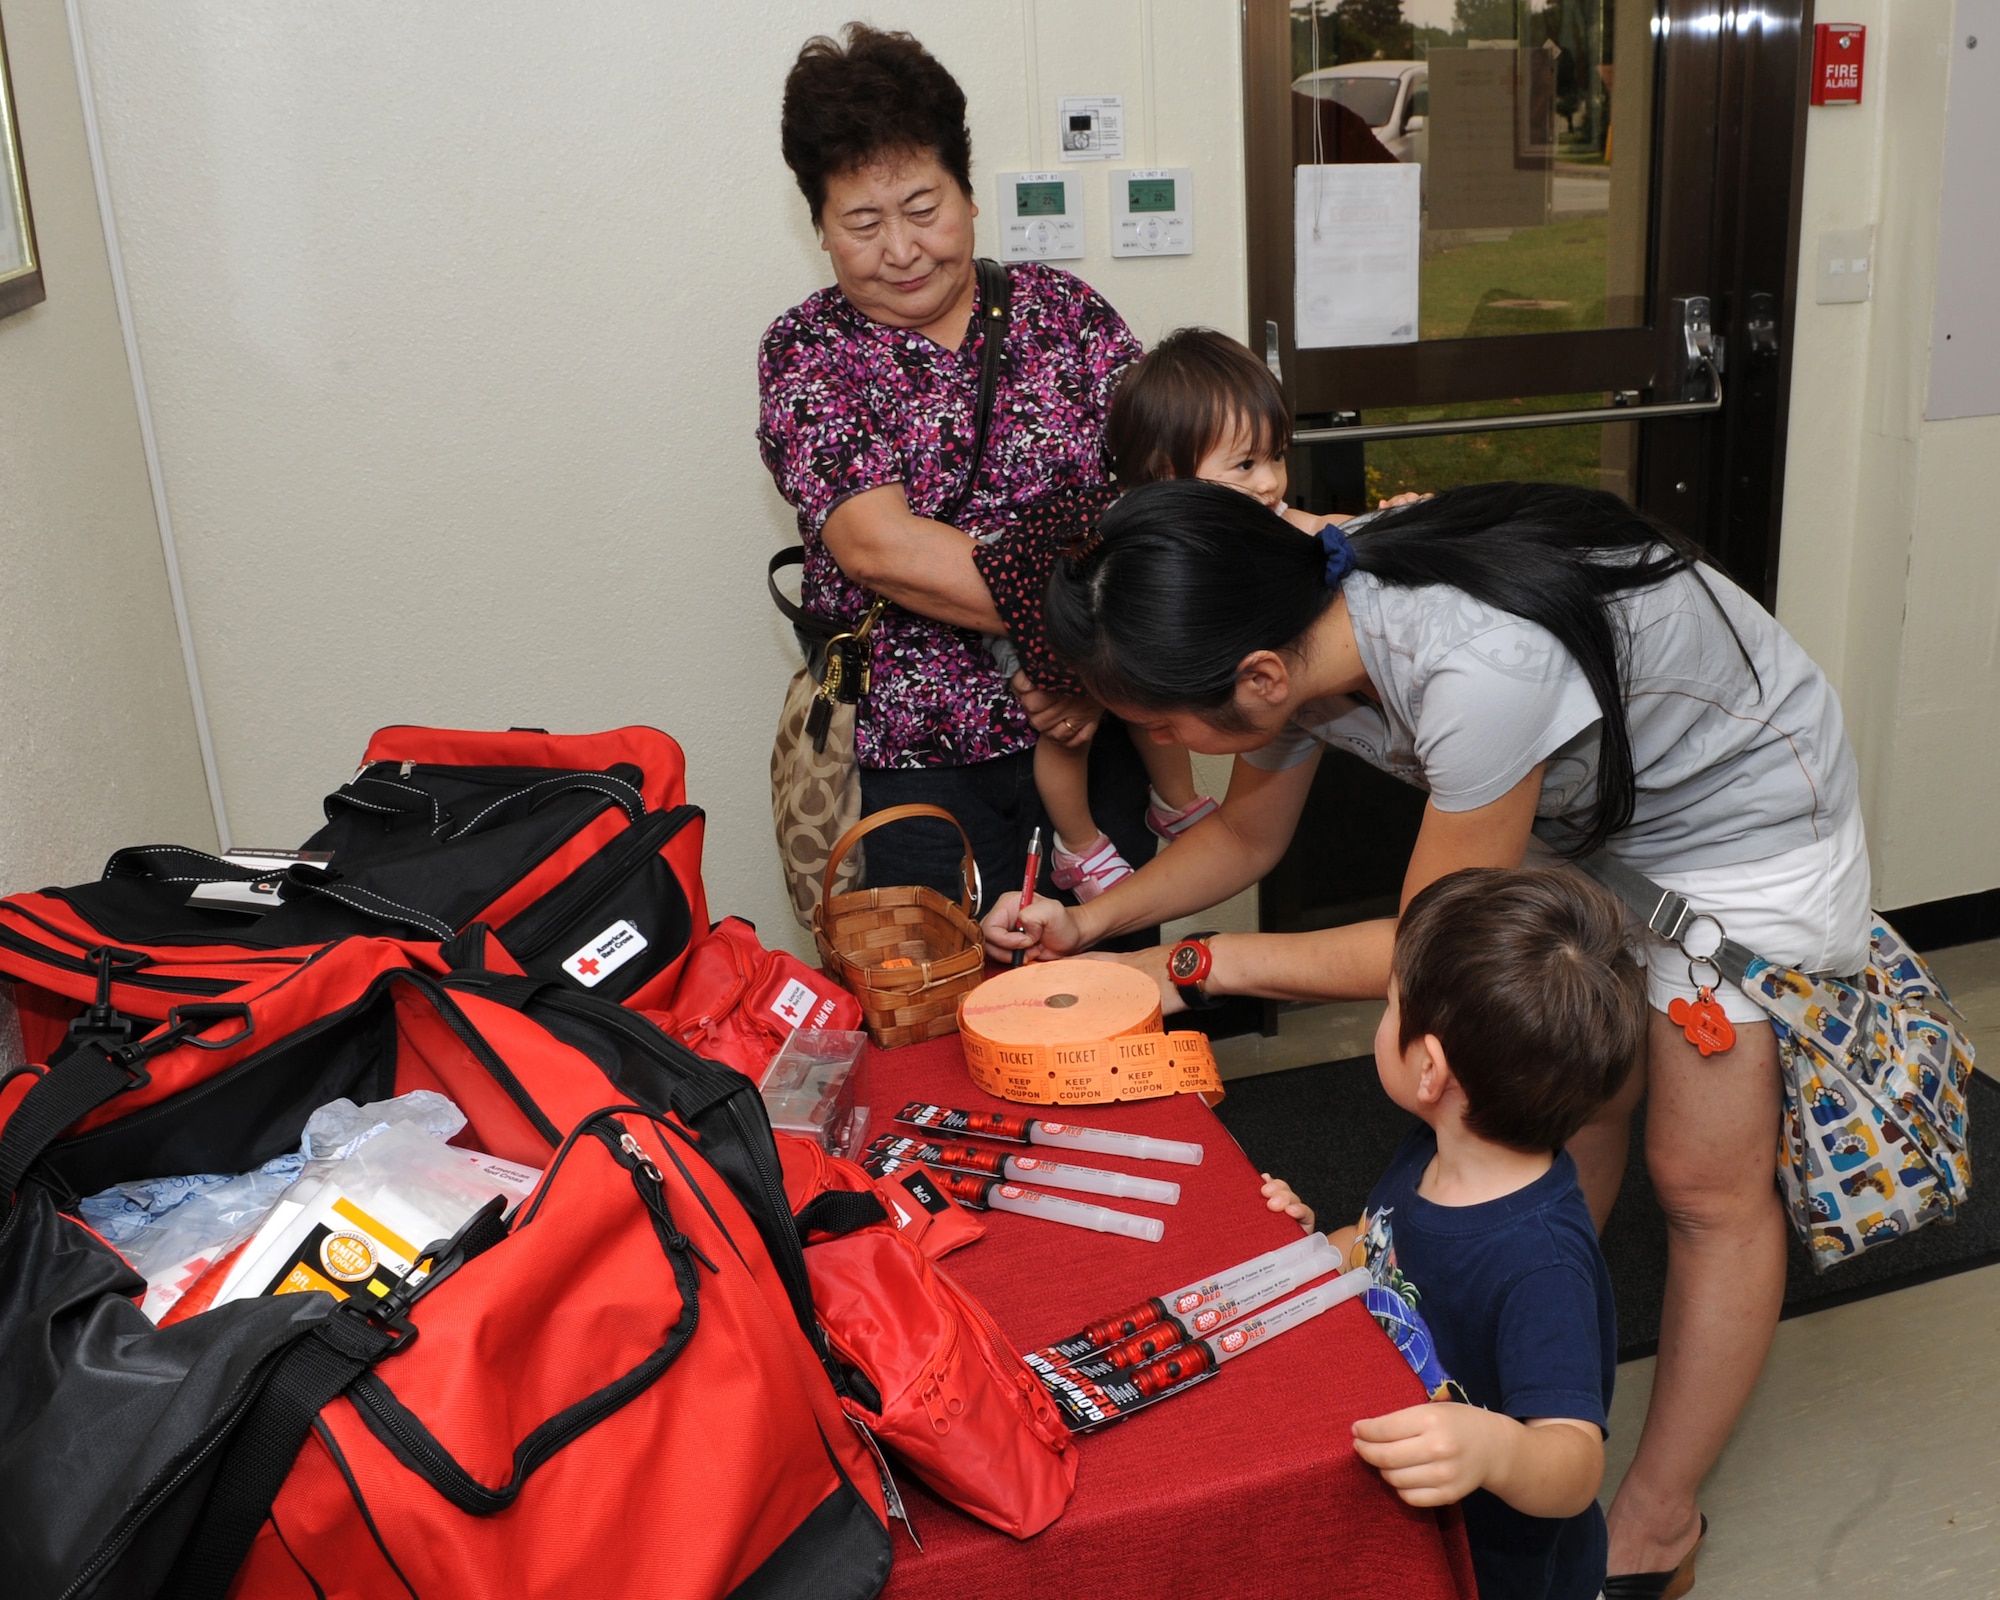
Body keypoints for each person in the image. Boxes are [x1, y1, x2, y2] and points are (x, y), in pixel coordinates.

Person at [983, 478, 1872, 1597]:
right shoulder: (1283, 614)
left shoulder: (1470, 669)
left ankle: (1651, 1517)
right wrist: (1090, 924)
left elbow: (1425, 950)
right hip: (1586, 810)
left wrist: (1181, 966)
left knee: (1701, 1183)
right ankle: (1525, 1370)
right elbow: (1249, 835)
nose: (1158, 743)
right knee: (1554, 1098)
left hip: (1738, 823)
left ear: (1258, 680)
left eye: (1161, 724)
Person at [757, 23, 1154, 913]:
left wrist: (1094, 678)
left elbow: (1158, 500)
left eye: (923, 208)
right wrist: (1080, 646)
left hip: (1101, 748)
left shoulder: (1069, 318)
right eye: (862, 223)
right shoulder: (809, 353)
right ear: (819, 228)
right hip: (917, 779)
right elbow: (880, 549)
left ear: (972, 197)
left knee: (1119, 1010)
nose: (900, 249)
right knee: (936, 1030)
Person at [1261, 866, 1644, 1600]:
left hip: (1509, 1575)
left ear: (1430, 1069)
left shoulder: (1543, 1261)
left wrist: (1495, 1448)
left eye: (1388, 1006)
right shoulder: (1432, 1149)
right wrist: (1314, 1247)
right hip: (1417, 1530)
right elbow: (1381, 1249)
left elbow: (1574, 1460)